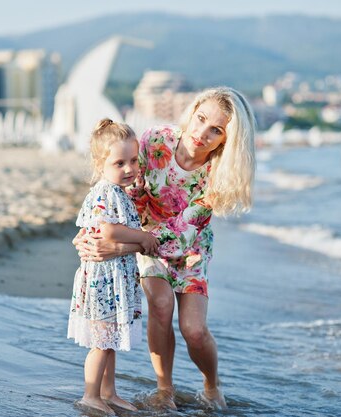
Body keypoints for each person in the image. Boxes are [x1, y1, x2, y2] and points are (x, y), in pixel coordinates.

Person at [74, 87, 256, 410]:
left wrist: (116, 248)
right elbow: (121, 188)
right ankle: (165, 390)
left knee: (194, 330)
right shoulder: (156, 140)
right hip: (143, 240)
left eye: (216, 130)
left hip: (189, 250)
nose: (202, 133)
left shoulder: (216, 176)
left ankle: (211, 385)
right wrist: (92, 233)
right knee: (160, 304)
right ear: (194, 109)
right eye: (201, 119)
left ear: (226, 141)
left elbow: (182, 232)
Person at [67, 118, 160, 415]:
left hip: (114, 276)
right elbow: (108, 231)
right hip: (103, 280)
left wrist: (139, 241)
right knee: (101, 342)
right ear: (100, 163)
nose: (129, 169)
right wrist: (143, 237)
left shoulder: (119, 193)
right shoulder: (105, 192)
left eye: (133, 161)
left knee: (110, 341)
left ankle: (109, 391)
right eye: (119, 163)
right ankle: (90, 394)